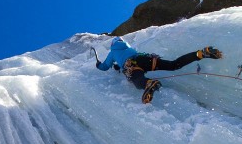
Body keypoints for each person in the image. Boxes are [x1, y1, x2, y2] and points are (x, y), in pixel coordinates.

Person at [95, 37, 223, 103]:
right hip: (146, 59)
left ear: (112, 45)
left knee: (136, 79)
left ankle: (148, 83)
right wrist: (118, 65)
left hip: (132, 65)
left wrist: (98, 64)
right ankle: (200, 54)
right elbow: (128, 57)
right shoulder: (128, 48)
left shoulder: (113, 52)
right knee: (174, 65)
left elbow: (105, 66)